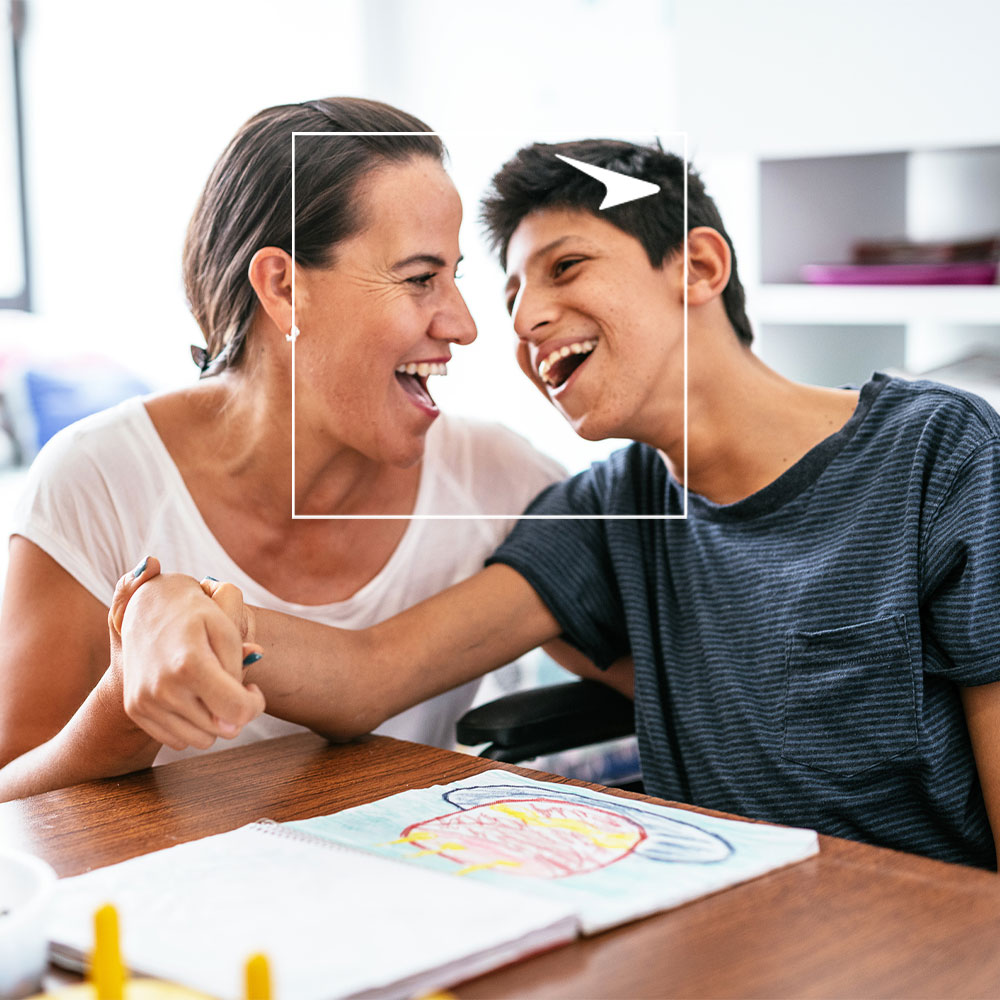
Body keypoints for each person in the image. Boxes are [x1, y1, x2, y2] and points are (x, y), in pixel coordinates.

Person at [114, 138, 1000, 870]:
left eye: (566, 266)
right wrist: (176, 606)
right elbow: (368, 674)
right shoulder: (612, 511)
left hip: (924, 934)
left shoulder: (939, 455)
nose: (526, 320)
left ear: (695, 264)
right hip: (734, 931)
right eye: (510, 298)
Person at [0, 98, 575, 801]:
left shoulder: (500, 479)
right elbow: (14, 806)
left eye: (456, 277)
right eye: (421, 278)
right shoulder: (95, 480)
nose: (463, 324)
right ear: (283, 288)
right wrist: (126, 704)